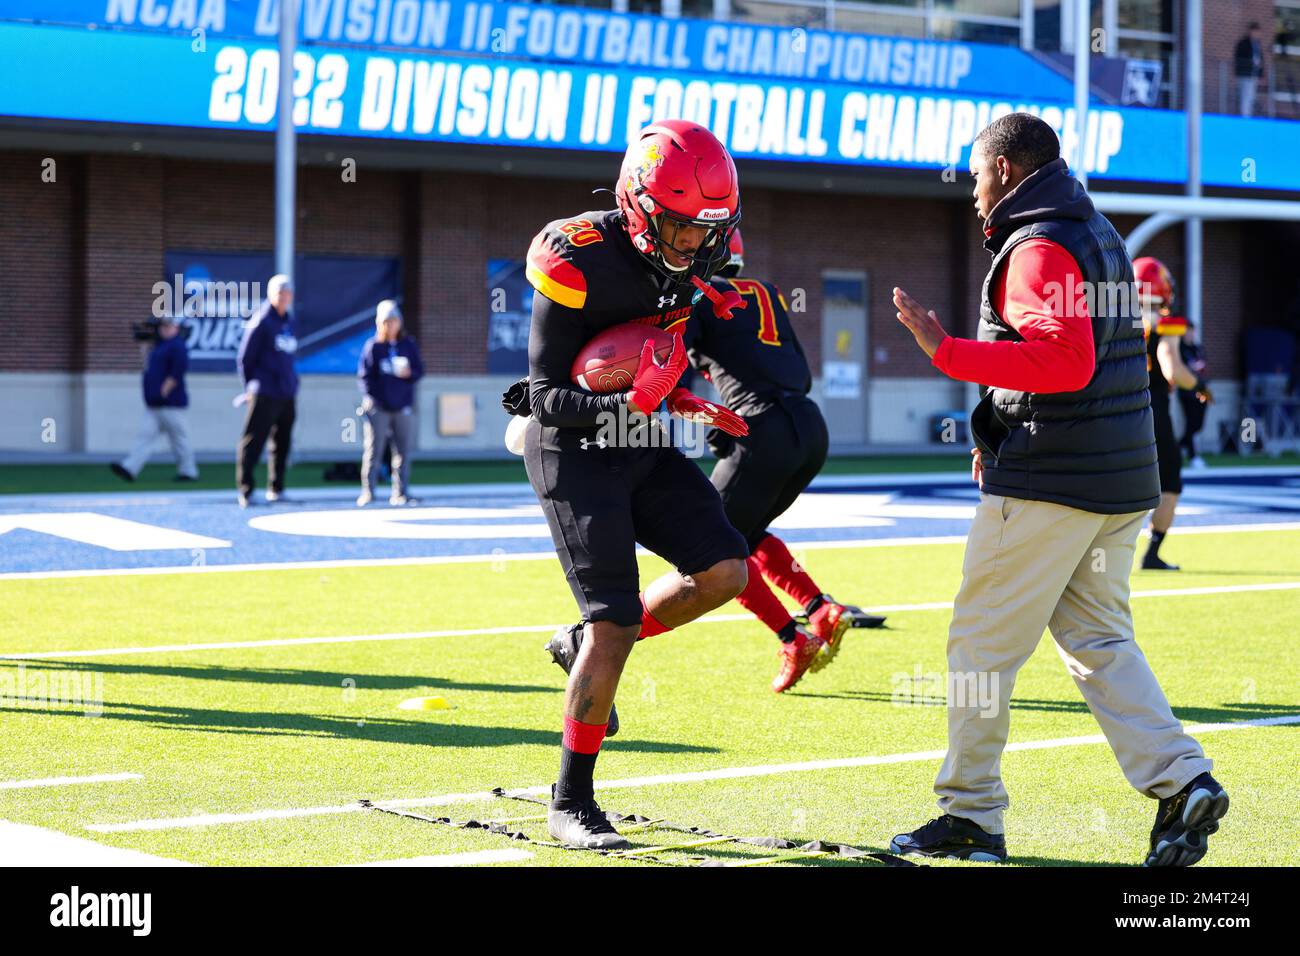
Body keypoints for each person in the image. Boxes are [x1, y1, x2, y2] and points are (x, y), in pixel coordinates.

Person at [888, 113, 1226, 867]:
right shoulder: (1097, 231)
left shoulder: (1038, 245)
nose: (972, 192)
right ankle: (1181, 781)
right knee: (1100, 643)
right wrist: (992, 430)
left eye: (976, 174)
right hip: (1117, 480)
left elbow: (1063, 363)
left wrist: (946, 350)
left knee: (979, 652)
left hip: (1052, 486)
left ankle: (971, 814)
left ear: (1005, 169)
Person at [516, 120, 750, 850]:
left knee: (725, 571)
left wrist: (685, 396)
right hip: (572, 449)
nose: (691, 245)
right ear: (640, 203)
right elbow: (542, 393)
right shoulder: (577, 255)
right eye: (678, 228)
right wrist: (623, 406)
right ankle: (570, 801)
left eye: (703, 230)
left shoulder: (707, 253)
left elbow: (661, 351)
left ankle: (582, 642)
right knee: (615, 620)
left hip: (640, 439)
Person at [683, 230, 885, 694]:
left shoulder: (697, 296)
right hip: (809, 428)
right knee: (746, 534)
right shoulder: (769, 294)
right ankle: (819, 609)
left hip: (762, 429)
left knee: (707, 544)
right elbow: (798, 370)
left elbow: (666, 360)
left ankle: (793, 637)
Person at [1133, 257, 1213, 570]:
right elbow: (1172, 366)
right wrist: (1200, 385)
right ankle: (1152, 553)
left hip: (1111, 410)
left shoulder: (1111, 318)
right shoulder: (1167, 322)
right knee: (1169, 484)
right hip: (1152, 412)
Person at [235, 274, 299, 508]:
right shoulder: (261, 320)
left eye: (287, 292)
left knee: (282, 442)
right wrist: (250, 386)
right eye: (279, 292)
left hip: (286, 392)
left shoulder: (289, 321)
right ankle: (247, 490)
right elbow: (245, 357)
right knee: (253, 441)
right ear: (271, 294)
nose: (283, 297)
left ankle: (276, 488)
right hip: (265, 391)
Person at [112, 314, 198, 482]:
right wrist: (145, 345)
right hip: (154, 403)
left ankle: (188, 471)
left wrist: (165, 390)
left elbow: (177, 372)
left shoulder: (177, 346)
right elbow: (147, 366)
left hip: (171, 403)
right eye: (162, 327)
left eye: (168, 326)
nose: (163, 329)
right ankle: (130, 468)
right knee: (144, 437)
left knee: (179, 439)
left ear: (176, 328)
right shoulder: (159, 346)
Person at [357, 300, 424, 507]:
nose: (390, 325)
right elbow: (364, 378)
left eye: (393, 321)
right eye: (386, 321)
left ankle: (401, 492)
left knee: (403, 451)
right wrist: (377, 400)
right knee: (373, 451)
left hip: (402, 406)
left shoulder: (408, 345)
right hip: (379, 407)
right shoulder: (373, 347)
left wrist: (409, 373)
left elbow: (420, 371)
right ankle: (368, 492)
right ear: (379, 324)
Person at [1178, 319, 1209, 468]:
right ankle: (1193, 455)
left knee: (1199, 423)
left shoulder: (1197, 348)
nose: (1190, 334)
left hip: (1202, 389)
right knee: (1191, 421)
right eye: (1187, 331)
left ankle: (1180, 444)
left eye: (1191, 331)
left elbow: (1203, 366)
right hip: (1187, 391)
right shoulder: (1180, 349)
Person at [1234, 22, 1264, 117]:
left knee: (1251, 96)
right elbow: (1240, 57)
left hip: (1253, 74)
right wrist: (1251, 63)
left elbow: (1260, 58)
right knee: (1245, 95)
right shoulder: (1243, 43)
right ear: (1251, 31)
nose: (1257, 34)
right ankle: (1245, 116)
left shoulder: (1257, 44)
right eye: (1255, 32)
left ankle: (1248, 114)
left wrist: (1260, 73)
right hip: (1245, 73)